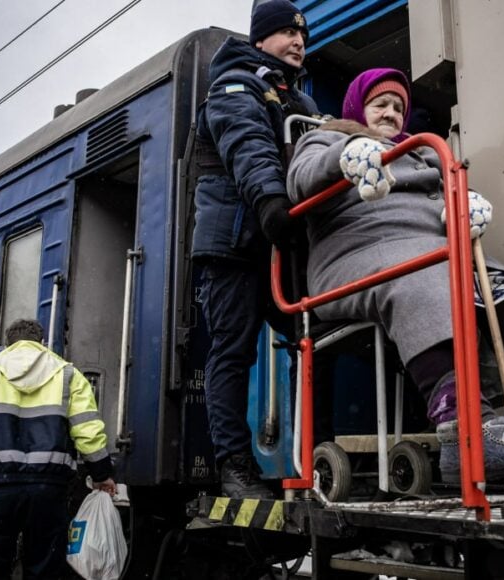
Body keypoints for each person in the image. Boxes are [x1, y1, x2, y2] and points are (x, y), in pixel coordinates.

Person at [287, 68, 504, 496]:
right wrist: (345, 156)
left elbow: (447, 193)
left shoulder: (420, 153)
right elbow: (299, 182)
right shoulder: (327, 138)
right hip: (357, 256)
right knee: (425, 269)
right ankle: (466, 433)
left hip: (437, 255)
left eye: (399, 107)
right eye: (381, 104)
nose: (392, 113)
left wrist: (462, 205)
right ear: (357, 107)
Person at [190, 0, 320, 499]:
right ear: (260, 38)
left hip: (283, 243)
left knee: (312, 341)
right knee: (234, 351)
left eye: (302, 35)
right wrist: (270, 199)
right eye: (287, 32)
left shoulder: (302, 104)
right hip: (235, 242)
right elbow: (247, 143)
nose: (298, 41)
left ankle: (310, 455)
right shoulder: (234, 86)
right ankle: (236, 468)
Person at [0, 319, 116, 579]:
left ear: (8, 343)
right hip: (48, 490)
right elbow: (87, 430)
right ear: (41, 342)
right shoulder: (68, 374)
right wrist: (102, 474)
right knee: (44, 569)